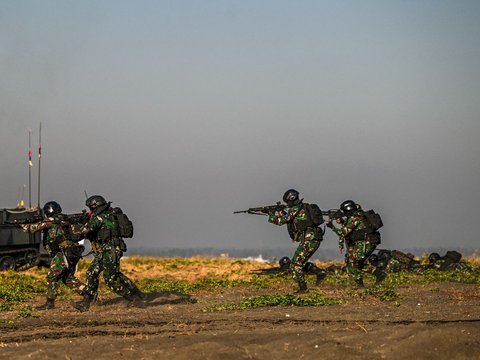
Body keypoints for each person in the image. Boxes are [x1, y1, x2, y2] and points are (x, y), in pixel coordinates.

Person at [72, 195, 145, 312]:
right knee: (92, 273)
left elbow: (85, 231)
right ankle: (87, 302)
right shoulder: (108, 215)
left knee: (110, 280)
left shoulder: (100, 217)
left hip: (110, 250)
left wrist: (74, 225)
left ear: (96, 206)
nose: (91, 211)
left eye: (91, 208)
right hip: (104, 251)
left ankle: (133, 299)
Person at [21, 201, 85, 310]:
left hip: (63, 253)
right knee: (67, 278)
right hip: (71, 253)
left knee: (52, 276)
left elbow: (32, 229)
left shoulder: (51, 221)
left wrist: (22, 225)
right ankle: (89, 295)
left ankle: (49, 303)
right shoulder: (63, 220)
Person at [268, 189, 326, 293]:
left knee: (295, 264)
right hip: (313, 238)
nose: (288, 204)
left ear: (291, 199)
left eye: (288, 202)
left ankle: (303, 288)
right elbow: (291, 218)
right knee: (301, 262)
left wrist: (271, 215)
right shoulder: (302, 207)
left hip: (309, 239)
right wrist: (281, 212)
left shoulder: (295, 209)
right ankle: (319, 272)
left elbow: (280, 221)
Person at [327, 200, 381, 287]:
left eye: (344, 211)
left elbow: (343, 232)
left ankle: (360, 285)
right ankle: (379, 274)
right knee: (356, 263)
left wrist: (332, 227)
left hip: (365, 242)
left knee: (353, 262)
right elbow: (353, 227)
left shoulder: (355, 217)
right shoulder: (358, 215)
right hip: (364, 242)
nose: (344, 213)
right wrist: (341, 221)